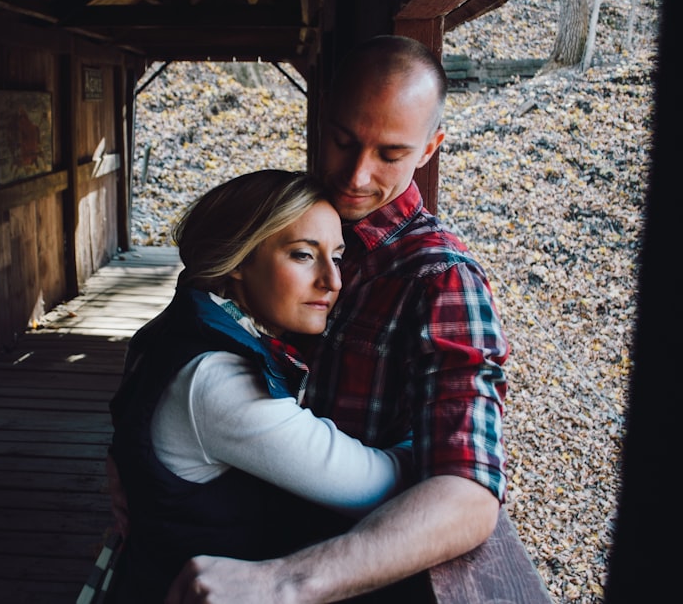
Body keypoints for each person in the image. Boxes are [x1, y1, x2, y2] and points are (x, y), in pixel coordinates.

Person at [164, 35, 509, 603]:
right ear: (321, 118)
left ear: (430, 148)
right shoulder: (280, 213)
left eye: (390, 154)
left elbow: (469, 494)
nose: (354, 173)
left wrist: (285, 583)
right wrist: (143, 450)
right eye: (343, 140)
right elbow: (189, 314)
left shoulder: (440, 278)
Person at [105, 169, 414, 603]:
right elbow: (377, 488)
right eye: (304, 255)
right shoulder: (218, 381)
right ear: (238, 261)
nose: (333, 280)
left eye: (338, 256)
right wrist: (441, 437)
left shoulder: (184, 328)